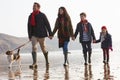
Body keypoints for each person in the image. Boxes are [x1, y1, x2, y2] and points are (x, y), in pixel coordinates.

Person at [27, 2, 52, 68]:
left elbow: (47, 24)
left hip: (41, 35)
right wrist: (29, 36)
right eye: (33, 6)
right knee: (34, 47)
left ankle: (47, 61)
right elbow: (29, 26)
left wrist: (50, 33)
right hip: (34, 35)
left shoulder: (42, 15)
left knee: (43, 48)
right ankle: (34, 63)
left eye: (35, 6)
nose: (33, 7)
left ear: (38, 7)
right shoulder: (30, 16)